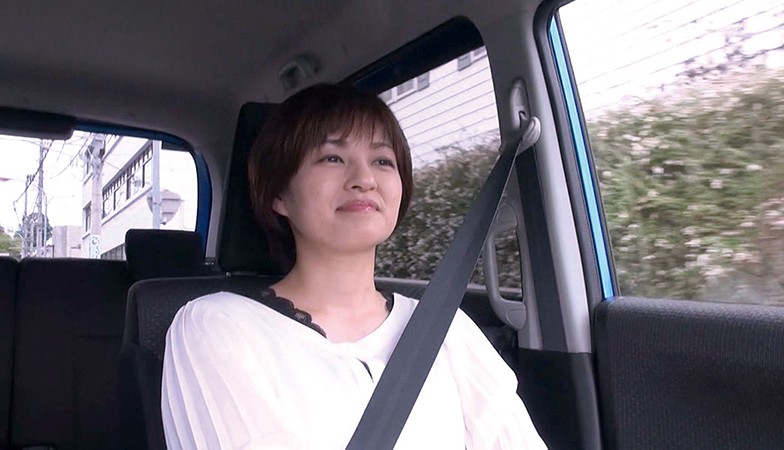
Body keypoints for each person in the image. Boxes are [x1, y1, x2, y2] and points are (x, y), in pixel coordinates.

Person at [161, 83, 545, 449]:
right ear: (279, 194)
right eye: (332, 158)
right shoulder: (214, 325)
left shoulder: (448, 330)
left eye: (382, 161)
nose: (364, 179)